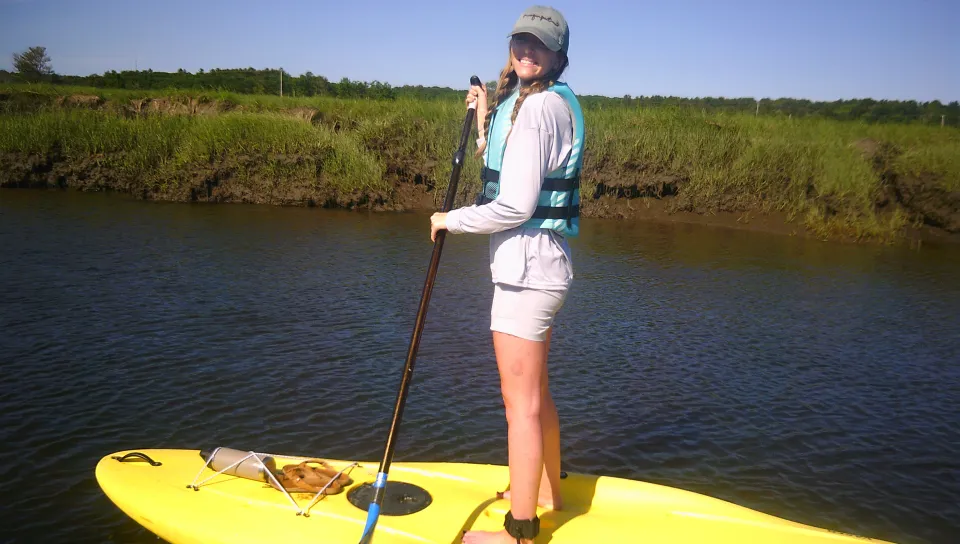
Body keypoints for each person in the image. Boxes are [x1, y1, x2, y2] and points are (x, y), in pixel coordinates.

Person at [429, 6, 584, 543]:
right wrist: (481, 116)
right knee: (536, 391)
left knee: (519, 403)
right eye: (520, 41)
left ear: (558, 58)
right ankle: (545, 493)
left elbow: (514, 205)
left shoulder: (539, 110)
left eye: (538, 45)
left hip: (527, 274)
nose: (526, 51)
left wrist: (452, 219)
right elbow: (498, 160)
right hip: (542, 267)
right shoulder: (533, 103)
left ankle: (520, 533)